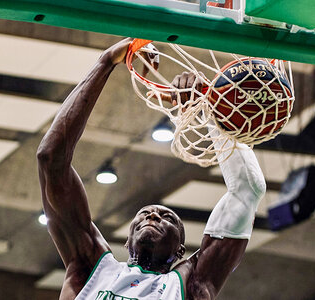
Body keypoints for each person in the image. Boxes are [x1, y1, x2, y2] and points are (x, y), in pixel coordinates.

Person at [37, 38, 266, 300]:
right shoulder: (92, 270)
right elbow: (50, 159)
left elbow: (248, 190)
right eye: (145, 214)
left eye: (168, 218)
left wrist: (210, 108)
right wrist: (106, 61)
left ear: (180, 251)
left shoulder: (190, 284)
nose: (153, 216)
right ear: (127, 240)